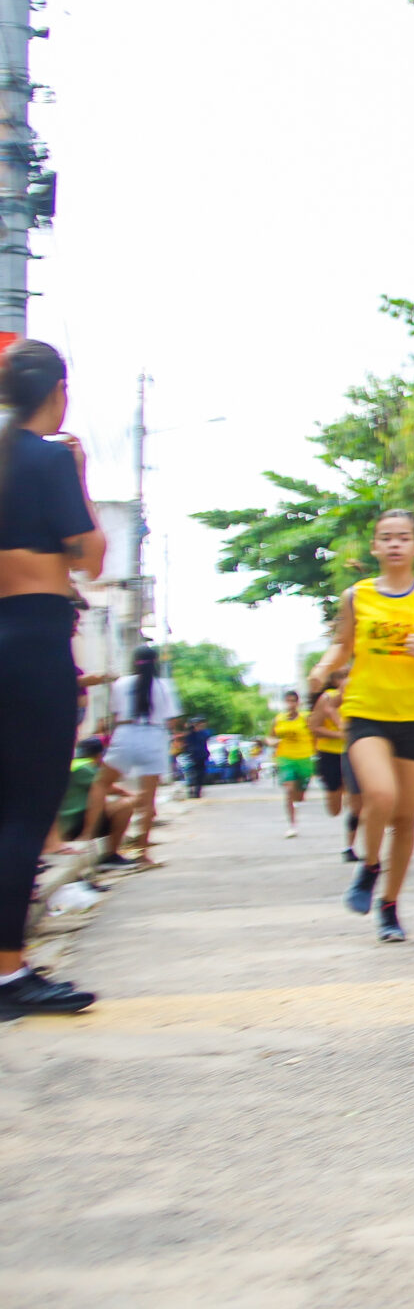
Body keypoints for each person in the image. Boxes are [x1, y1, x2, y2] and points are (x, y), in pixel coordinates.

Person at [0, 340, 104, 1017]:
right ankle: (10, 974)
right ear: (58, 392)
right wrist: (80, 474)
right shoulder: (47, 458)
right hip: (34, 641)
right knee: (24, 813)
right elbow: (90, 555)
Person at [314, 510, 414, 942]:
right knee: (380, 794)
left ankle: (390, 906)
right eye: (386, 537)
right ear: (375, 547)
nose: (395, 544)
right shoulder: (356, 596)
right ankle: (370, 865)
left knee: (406, 818)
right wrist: (321, 670)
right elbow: (342, 646)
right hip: (365, 712)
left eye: (403, 537)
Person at [104, 643, 175, 863]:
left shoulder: (122, 683)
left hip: (126, 735)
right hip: (154, 737)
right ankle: (142, 852)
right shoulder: (163, 686)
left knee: (100, 785)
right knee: (148, 801)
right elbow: (171, 720)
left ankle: (106, 846)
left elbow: (115, 715)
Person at [310, 676, 356, 861]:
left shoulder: (361, 699)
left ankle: (349, 847)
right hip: (330, 754)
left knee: (356, 802)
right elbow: (314, 728)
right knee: (334, 809)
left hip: (354, 753)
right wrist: (339, 735)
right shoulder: (327, 699)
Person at [270, 689, 316, 838]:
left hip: (304, 758)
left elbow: (315, 735)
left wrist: (316, 751)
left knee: (300, 794)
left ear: (298, 703)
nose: (290, 704)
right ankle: (292, 825)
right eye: (288, 701)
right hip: (285, 758)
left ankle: (298, 801)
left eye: (293, 701)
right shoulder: (278, 719)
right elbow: (270, 737)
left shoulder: (306, 718)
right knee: (289, 790)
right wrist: (272, 742)